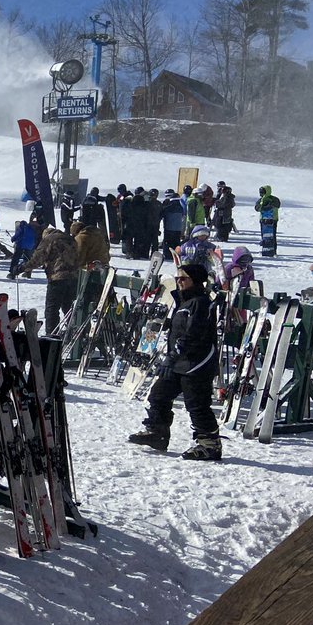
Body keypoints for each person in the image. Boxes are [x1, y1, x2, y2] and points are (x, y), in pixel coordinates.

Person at [128, 263, 221, 461]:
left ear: (195, 280)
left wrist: (172, 356)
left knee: (196, 404)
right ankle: (158, 432)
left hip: (197, 363)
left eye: (183, 278)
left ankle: (209, 443)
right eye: (178, 278)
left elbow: (193, 333)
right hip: (180, 362)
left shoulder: (201, 303)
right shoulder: (185, 301)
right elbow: (180, 330)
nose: (179, 282)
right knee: (159, 395)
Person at [20, 225, 79, 334]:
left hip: (58, 278)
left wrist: (23, 267)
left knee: (52, 309)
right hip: (74, 278)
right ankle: (75, 332)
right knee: (68, 307)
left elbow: (38, 259)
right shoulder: (70, 239)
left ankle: (51, 335)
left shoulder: (49, 239)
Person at [256, 185, 281, 255]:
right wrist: (262, 204)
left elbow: (277, 205)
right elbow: (257, 208)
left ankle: (273, 250)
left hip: (272, 220)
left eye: (262, 192)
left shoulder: (274, 199)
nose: (261, 194)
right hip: (263, 220)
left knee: (272, 236)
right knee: (264, 235)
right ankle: (265, 248)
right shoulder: (260, 200)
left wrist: (269, 204)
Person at [160, 189, 185, 254]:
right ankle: (176, 254)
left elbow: (162, 214)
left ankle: (167, 254)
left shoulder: (168, 207)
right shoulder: (181, 207)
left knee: (168, 242)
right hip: (178, 228)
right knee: (176, 242)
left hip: (169, 227)